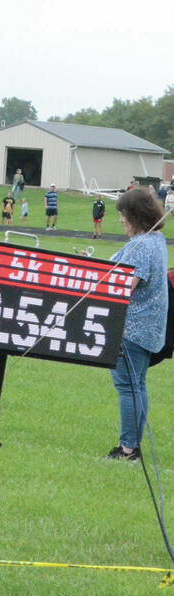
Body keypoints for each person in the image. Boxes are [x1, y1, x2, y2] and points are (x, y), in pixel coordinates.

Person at [106, 187, 168, 461]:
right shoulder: (156, 238)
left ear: (135, 215)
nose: (121, 220)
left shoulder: (142, 246)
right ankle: (133, 445)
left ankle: (128, 449)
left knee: (128, 387)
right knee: (137, 385)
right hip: (148, 328)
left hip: (132, 329)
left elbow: (122, 287)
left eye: (123, 215)